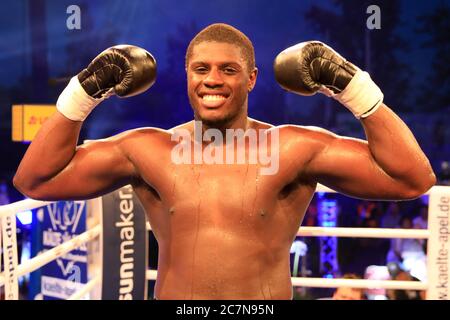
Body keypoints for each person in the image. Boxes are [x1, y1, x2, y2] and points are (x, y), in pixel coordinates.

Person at [13, 23, 435, 300]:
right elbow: (35, 179)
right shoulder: (148, 149)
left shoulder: (292, 147)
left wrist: (352, 86)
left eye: (228, 69)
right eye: (201, 69)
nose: (212, 79)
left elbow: (411, 179)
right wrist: (84, 91)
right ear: (188, 76)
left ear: (251, 78)